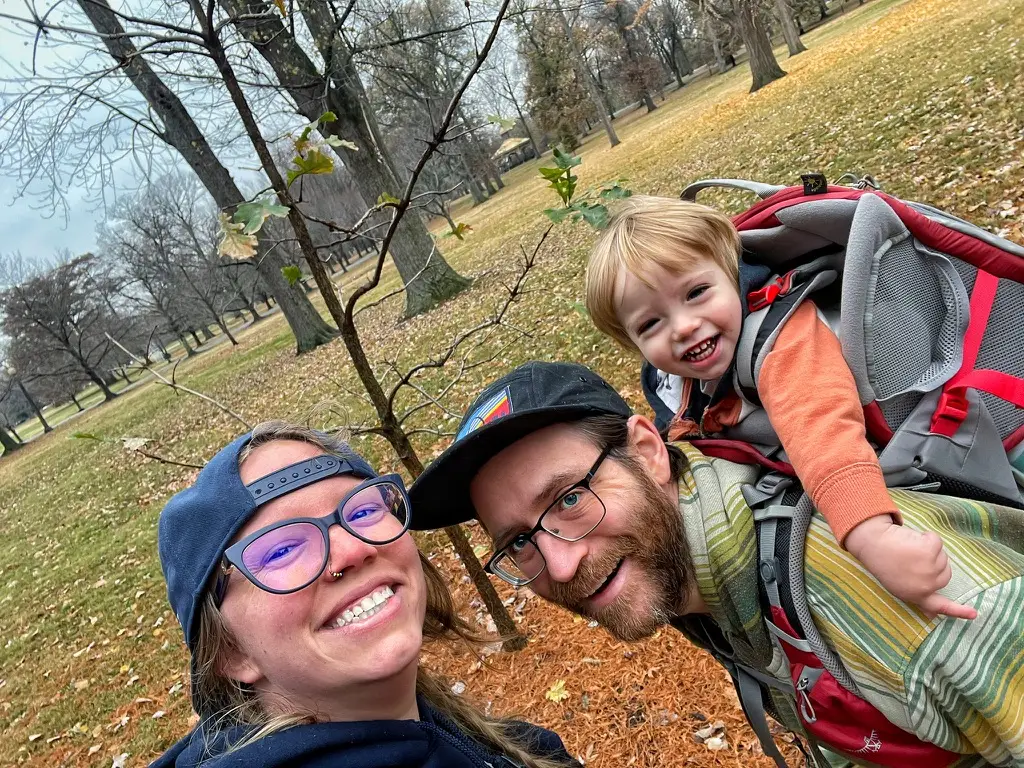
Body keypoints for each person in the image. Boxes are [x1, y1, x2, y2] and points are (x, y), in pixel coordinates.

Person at [409, 361, 1024, 767]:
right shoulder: (706, 572)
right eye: (518, 542)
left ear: (648, 453)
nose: (560, 566)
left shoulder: (859, 586)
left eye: (571, 497)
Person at [582, 194, 977, 621]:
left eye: (696, 292)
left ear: (730, 271)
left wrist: (873, 537)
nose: (683, 326)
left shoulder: (782, 340)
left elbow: (823, 432)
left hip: (913, 471)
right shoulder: (677, 375)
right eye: (650, 324)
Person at [152, 421, 577, 768]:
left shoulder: (482, 737)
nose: (354, 549)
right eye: (281, 550)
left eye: (362, 510)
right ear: (230, 652)